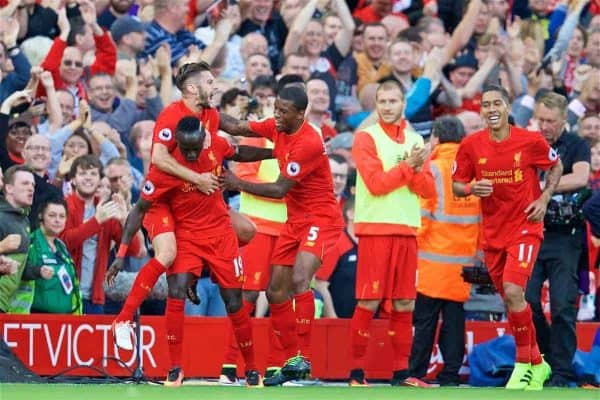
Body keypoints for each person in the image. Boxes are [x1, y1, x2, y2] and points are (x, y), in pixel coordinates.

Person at [107, 116, 273, 386]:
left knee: (235, 302)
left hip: (221, 235)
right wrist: (121, 254)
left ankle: (252, 369)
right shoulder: (164, 170)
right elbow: (139, 210)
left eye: (196, 147)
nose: (193, 153)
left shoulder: (216, 144)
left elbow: (241, 152)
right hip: (187, 236)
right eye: (186, 149)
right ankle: (175, 368)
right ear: (175, 144)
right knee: (176, 290)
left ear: (204, 138)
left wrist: (275, 151)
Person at [109, 62, 255, 340]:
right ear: (191, 88)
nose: (215, 87)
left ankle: (200, 270)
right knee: (167, 254)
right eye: (210, 82)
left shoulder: (209, 114)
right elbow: (160, 158)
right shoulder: (170, 116)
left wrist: (278, 135)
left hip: (196, 201)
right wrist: (197, 178)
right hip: (164, 197)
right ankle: (123, 320)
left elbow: (237, 129)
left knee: (247, 231)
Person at [220, 85, 344, 386]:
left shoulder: (308, 142)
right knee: (276, 291)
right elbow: (236, 125)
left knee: (300, 279)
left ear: (300, 115)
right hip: (295, 220)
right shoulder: (278, 126)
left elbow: (278, 189)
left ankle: (304, 357)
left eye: (282, 111)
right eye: (275, 108)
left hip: (321, 218)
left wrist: (236, 182)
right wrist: (202, 109)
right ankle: (291, 361)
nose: (275, 116)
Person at [452, 84, 564, 390]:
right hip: (493, 233)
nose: (491, 110)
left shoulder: (529, 141)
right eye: (486, 105)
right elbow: (457, 186)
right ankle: (538, 364)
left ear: (508, 106)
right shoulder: (471, 145)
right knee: (510, 300)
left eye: (497, 104)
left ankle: (523, 363)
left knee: (515, 291)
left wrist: (543, 198)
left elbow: (556, 165)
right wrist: (473, 188)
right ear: (481, 110)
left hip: (525, 227)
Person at [346, 79, 435, 387]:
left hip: (407, 230)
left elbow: (428, 189)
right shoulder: (365, 138)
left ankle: (402, 374)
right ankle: (356, 373)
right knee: (368, 301)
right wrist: (410, 167)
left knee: (404, 303)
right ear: (376, 104)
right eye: (382, 102)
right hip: (376, 230)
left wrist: (414, 169)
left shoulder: (414, 138)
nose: (387, 107)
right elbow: (376, 184)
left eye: (393, 101)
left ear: (403, 104)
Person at [408, 116, 480, 386]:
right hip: (463, 260)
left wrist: (415, 243)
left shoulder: (433, 168)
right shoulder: (473, 170)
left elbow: (423, 215)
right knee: (454, 320)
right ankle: (451, 375)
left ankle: (415, 373)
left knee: (425, 321)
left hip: (432, 258)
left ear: (436, 138)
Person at [525, 92, 591, 387]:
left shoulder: (576, 145)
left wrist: (542, 186)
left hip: (565, 236)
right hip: (531, 232)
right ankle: (545, 360)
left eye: (551, 121)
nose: (544, 126)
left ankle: (562, 372)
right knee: (526, 300)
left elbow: (580, 178)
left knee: (563, 305)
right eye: (540, 119)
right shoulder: (527, 144)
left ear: (565, 120)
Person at [21, 199, 82, 314]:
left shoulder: (61, 247)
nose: (57, 220)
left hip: (66, 321)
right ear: (41, 216)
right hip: (36, 318)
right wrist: (38, 271)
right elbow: (17, 272)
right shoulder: (31, 242)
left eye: (62, 216)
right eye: (52, 215)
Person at [0, 165, 35, 313]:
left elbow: (20, 268)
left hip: (5, 305)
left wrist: (38, 271)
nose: (31, 188)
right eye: (25, 183)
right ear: (8, 188)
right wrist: (2, 247)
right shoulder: (1, 217)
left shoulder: (23, 219)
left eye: (33, 184)